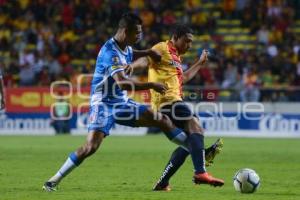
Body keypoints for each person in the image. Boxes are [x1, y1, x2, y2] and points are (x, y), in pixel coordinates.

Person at [43, 13, 223, 192]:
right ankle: (53, 180)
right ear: (124, 31)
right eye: (136, 32)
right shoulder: (110, 52)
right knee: (90, 147)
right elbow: (122, 83)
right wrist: (151, 84)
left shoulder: (125, 47)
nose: (139, 36)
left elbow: (135, 54)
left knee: (160, 119)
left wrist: (147, 52)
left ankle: (198, 153)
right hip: (103, 105)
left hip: (121, 102)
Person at [125, 24, 224, 191]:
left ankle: (163, 182)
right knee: (195, 125)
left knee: (189, 142)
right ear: (176, 37)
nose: (189, 46)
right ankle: (200, 170)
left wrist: (199, 63)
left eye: (191, 43)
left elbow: (183, 78)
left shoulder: (176, 57)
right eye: (187, 41)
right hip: (167, 101)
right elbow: (145, 59)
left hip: (171, 102)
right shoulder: (162, 47)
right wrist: (133, 66)